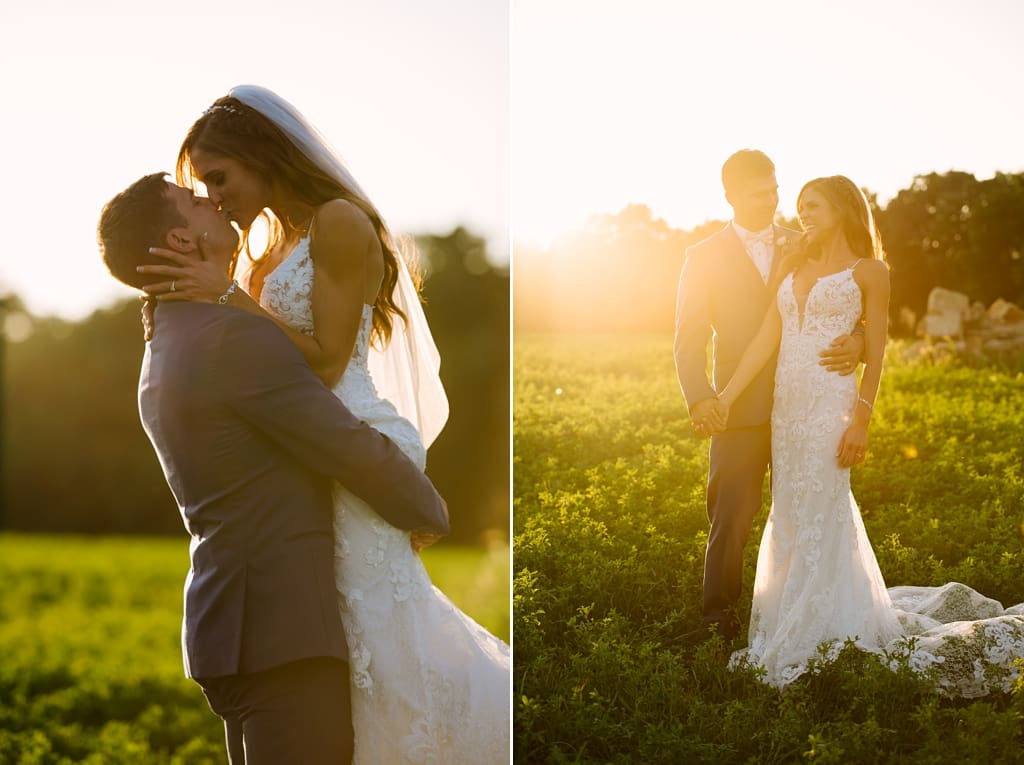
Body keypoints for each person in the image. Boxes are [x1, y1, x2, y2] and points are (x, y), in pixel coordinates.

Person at [137, 85, 510, 762]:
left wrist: (225, 296)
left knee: (379, 635)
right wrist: (230, 294)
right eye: (203, 189)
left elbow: (328, 363)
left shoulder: (340, 221)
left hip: (349, 427)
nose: (216, 198)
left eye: (219, 179)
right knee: (347, 633)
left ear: (262, 153)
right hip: (310, 442)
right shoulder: (265, 250)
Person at [97, 172, 451, 763]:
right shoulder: (230, 338)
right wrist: (429, 508)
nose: (209, 199)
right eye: (192, 200)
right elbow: (343, 444)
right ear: (182, 242)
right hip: (282, 630)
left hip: (233, 628)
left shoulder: (165, 344)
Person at [716, 174, 1024, 695]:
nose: (803, 213)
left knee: (823, 506)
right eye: (799, 206)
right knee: (789, 509)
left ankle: (824, 629)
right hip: (786, 406)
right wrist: (725, 395)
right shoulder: (793, 261)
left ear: (841, 206)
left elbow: (877, 351)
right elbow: (769, 336)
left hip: (831, 403)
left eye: (812, 205)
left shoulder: (871, 271)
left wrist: (862, 418)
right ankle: (790, 617)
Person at [673, 149, 863, 641]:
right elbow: (689, 337)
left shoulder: (804, 242)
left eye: (776, 190)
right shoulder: (703, 256)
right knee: (732, 516)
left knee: (804, 509)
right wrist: (702, 399)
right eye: (761, 193)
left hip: (808, 400)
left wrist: (860, 341)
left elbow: (854, 294)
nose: (773, 200)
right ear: (731, 194)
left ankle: (798, 613)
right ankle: (718, 617)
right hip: (740, 409)